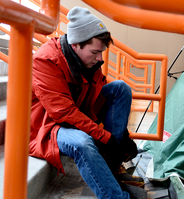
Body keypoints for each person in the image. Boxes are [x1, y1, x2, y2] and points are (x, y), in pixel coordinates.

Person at [29, 6, 146, 199]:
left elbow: (98, 92)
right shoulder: (45, 60)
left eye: (101, 52)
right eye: (95, 52)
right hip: (47, 126)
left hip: (77, 112)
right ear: (76, 45)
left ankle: (111, 164)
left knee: (120, 88)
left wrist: (120, 137)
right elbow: (64, 113)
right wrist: (105, 137)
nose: (100, 58)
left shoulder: (87, 60)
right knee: (82, 142)